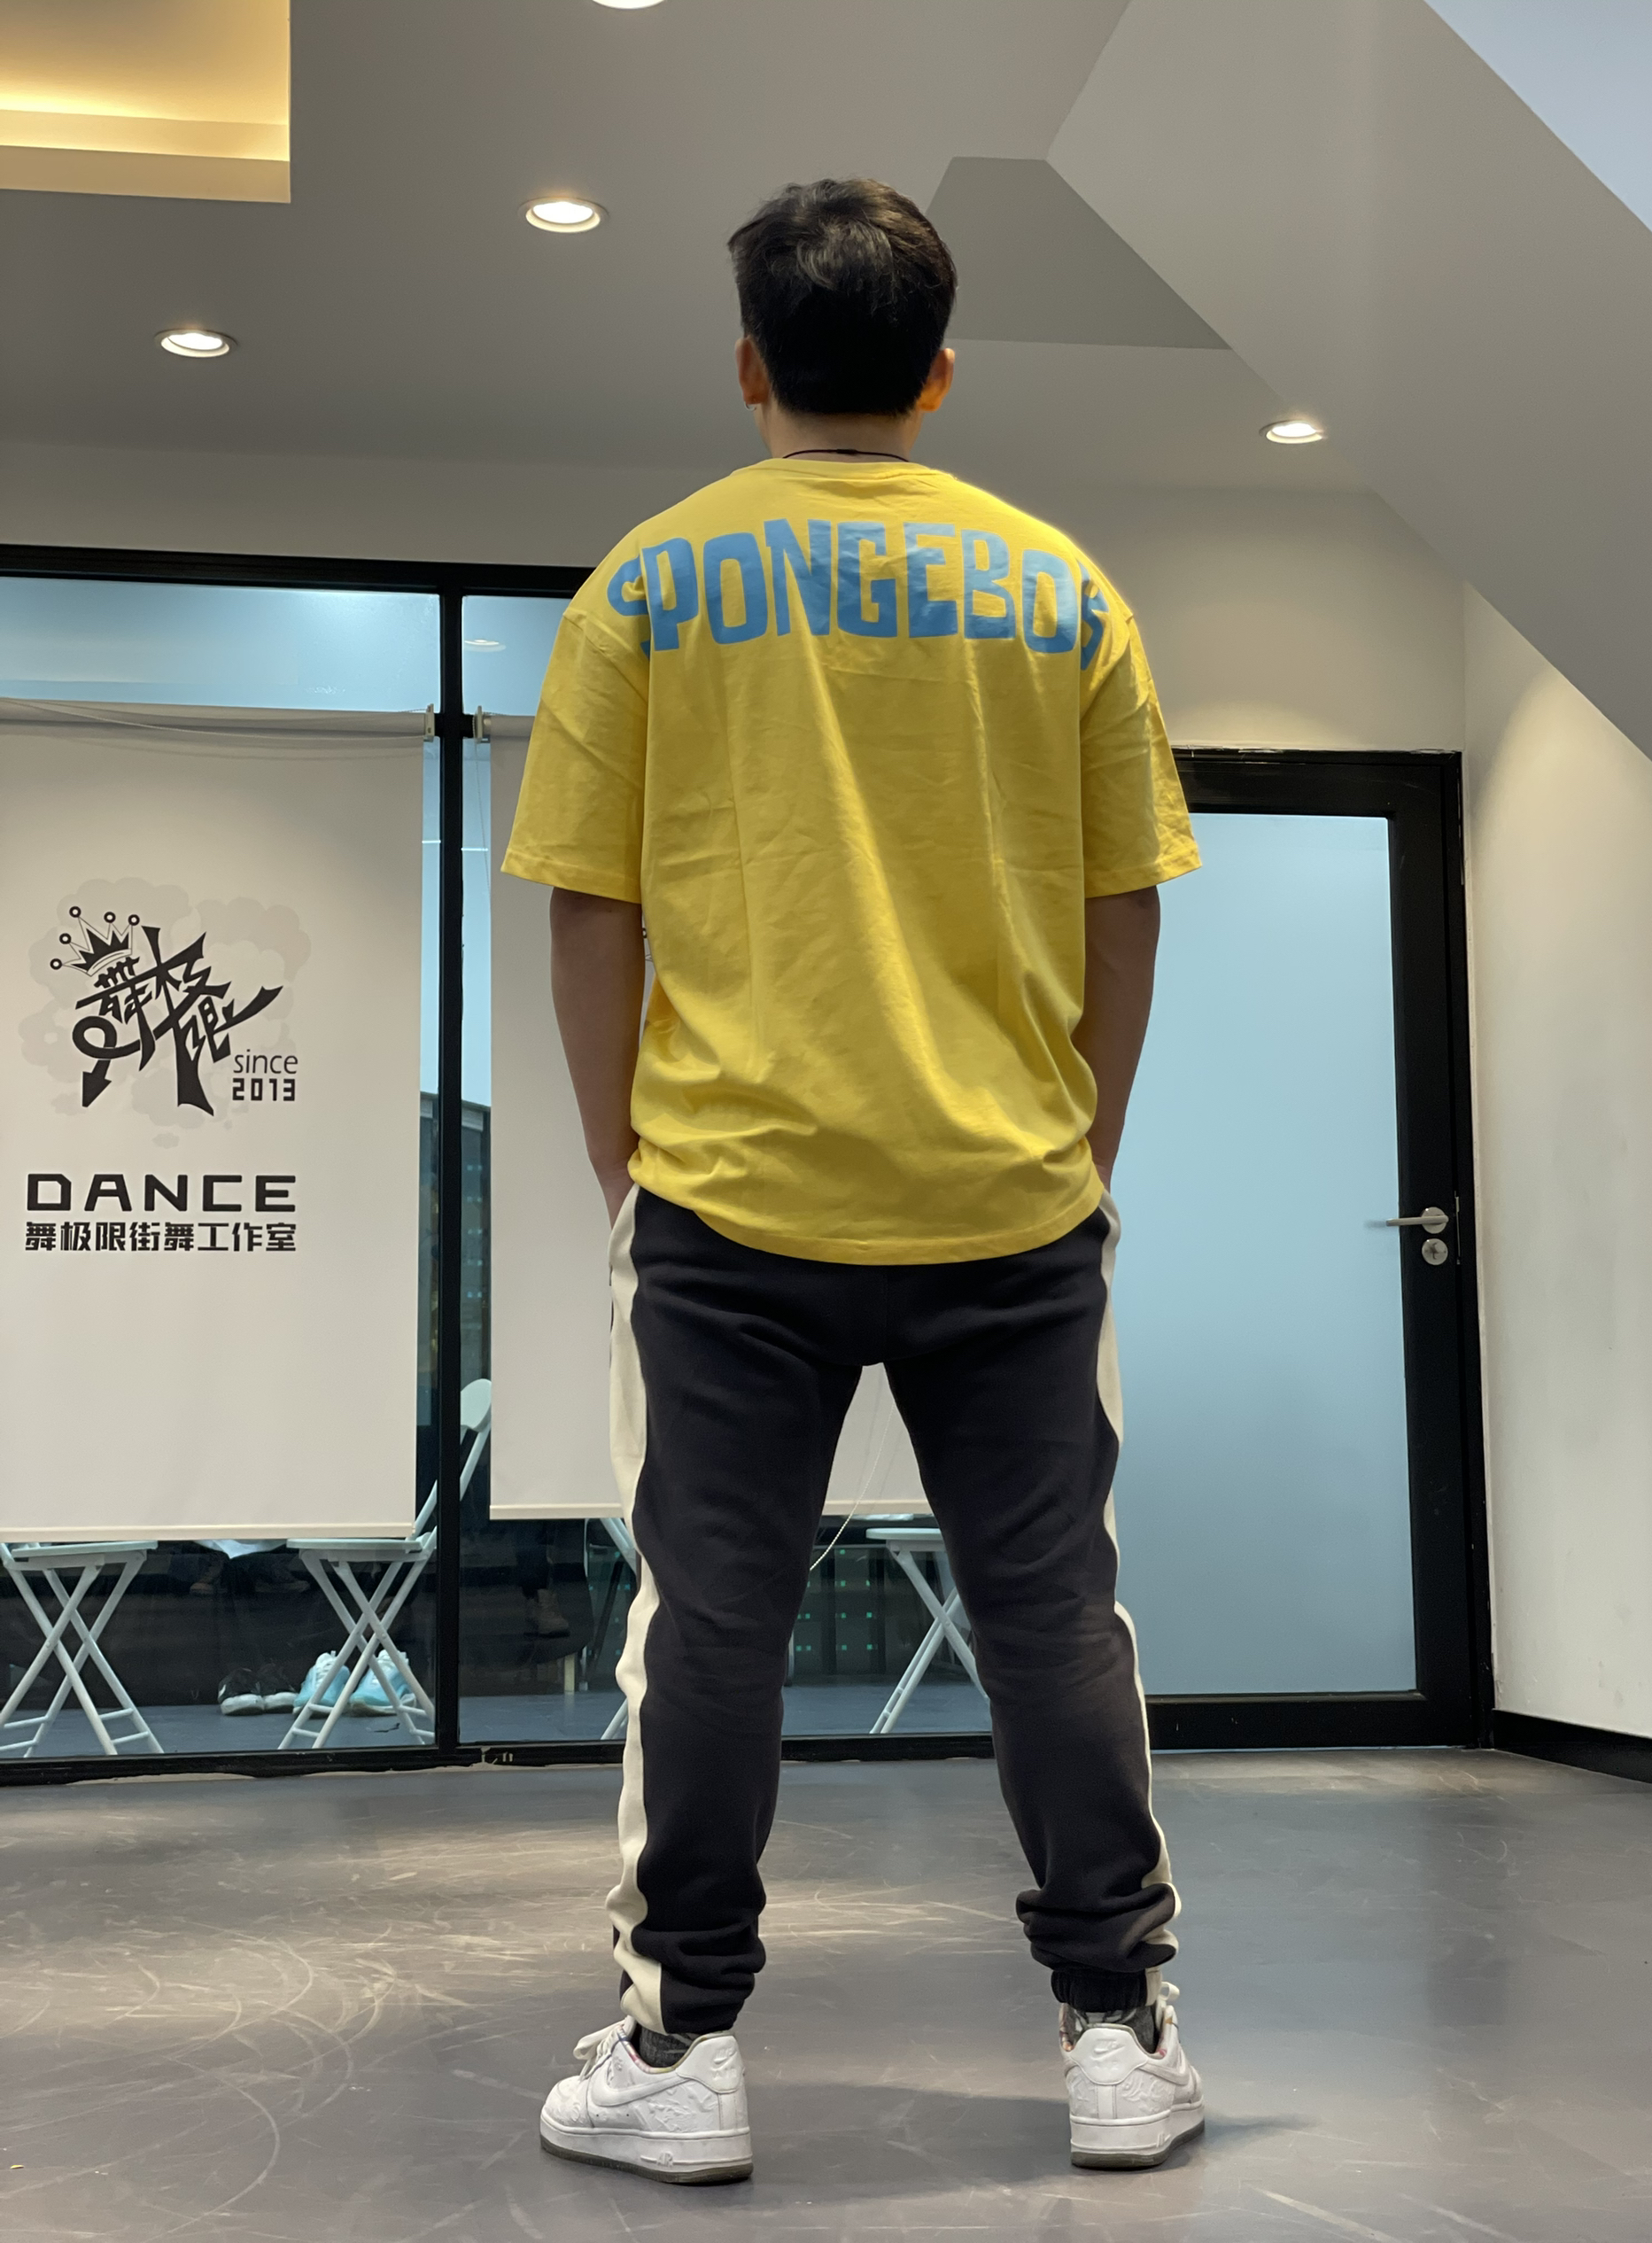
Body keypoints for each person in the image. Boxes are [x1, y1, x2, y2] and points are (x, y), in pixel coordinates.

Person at [503, 176, 1203, 2185]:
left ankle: (680, 2047)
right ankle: (1115, 2035)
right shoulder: (1062, 592)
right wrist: (1081, 1143)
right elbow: (1125, 904)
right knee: (1053, 1616)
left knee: (710, 1626)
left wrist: (624, 1168)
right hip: (1011, 1200)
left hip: (731, 1205)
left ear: (751, 367)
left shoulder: (647, 585)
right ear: (940, 371)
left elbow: (588, 908)